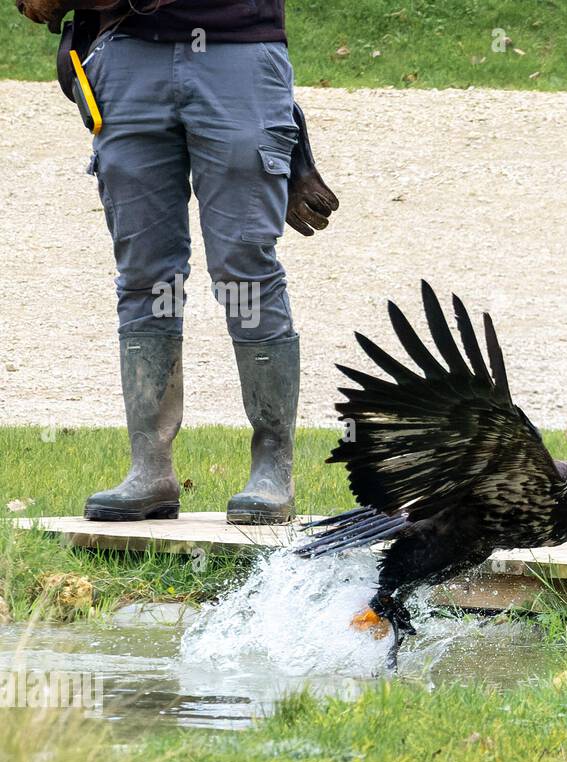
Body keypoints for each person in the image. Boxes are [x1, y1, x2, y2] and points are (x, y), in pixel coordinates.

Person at [14, 0, 339, 524]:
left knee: (245, 270)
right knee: (144, 274)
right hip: (123, 53)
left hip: (237, 48)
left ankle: (273, 470)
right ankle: (149, 472)